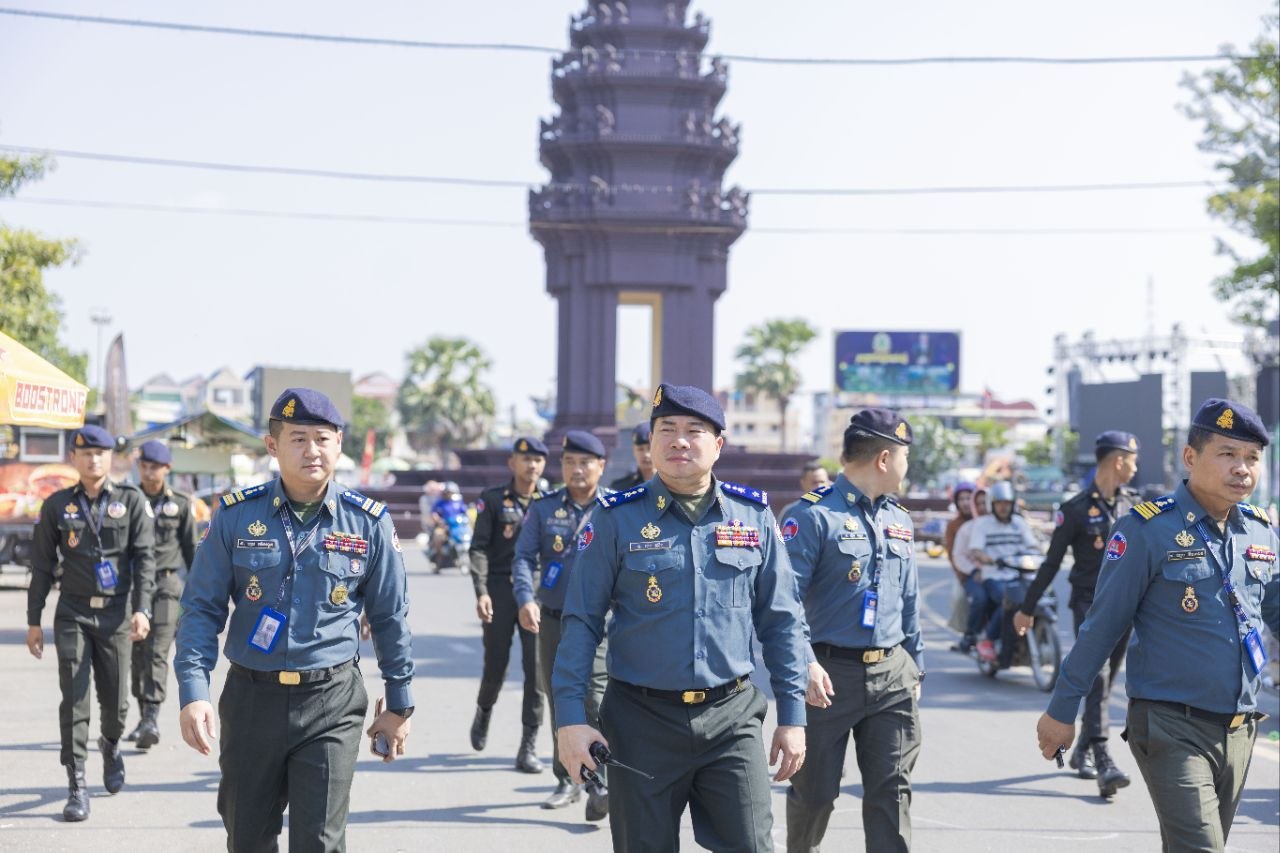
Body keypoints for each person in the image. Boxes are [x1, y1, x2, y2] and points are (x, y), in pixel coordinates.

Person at [554, 383, 809, 852]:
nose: (679, 441)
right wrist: (570, 720)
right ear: (650, 443)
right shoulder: (615, 519)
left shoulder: (752, 517)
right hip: (640, 722)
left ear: (719, 445)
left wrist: (793, 717)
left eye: (695, 430)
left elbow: (782, 622)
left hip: (731, 718)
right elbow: (581, 623)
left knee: (754, 845)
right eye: (666, 429)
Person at [173, 388, 414, 850]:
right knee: (247, 838)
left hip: (331, 702)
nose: (312, 451)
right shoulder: (234, 515)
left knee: (319, 841)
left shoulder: (368, 523)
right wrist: (193, 692)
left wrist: (400, 701)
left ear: (339, 444)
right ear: (272, 446)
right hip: (250, 700)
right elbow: (201, 609)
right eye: (298, 439)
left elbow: (390, 616)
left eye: (322, 439)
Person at [1037, 398, 1279, 850]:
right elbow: (1102, 625)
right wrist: (1062, 709)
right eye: (1227, 454)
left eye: (1251, 458)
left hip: (1241, 727)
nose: (1242, 468)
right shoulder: (1147, 529)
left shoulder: (1261, 531)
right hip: (1171, 724)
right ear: (1191, 457)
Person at [783, 409, 925, 853]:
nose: (907, 466)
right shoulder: (809, 517)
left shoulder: (900, 519)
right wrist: (804, 664)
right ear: (884, 458)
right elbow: (783, 606)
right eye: (905, 456)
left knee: (891, 791)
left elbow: (909, 602)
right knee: (816, 796)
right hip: (827, 677)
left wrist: (915, 667)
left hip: (893, 675)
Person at [26, 424, 155, 822]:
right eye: (85, 453)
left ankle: (111, 745)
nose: (93, 459)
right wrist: (34, 620)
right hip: (74, 612)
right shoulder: (57, 505)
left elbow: (145, 558)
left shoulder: (131, 502)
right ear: (74, 459)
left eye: (100, 453)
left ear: (111, 458)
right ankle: (76, 783)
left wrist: (142, 608)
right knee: (75, 695)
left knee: (116, 701)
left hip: (116, 614)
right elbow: (42, 566)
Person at [1014, 431, 1140, 794]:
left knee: (1106, 682)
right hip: (1089, 605)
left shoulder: (1135, 506)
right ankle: (1103, 756)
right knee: (1097, 679)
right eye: (1132, 459)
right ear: (1118, 461)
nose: (1135, 466)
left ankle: (1082, 747)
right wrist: (1027, 608)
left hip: (1126, 608)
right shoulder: (1073, 510)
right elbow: (1051, 564)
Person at [512, 430, 611, 818]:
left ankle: (600, 778)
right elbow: (522, 557)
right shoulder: (543, 507)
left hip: (600, 621)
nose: (576, 469)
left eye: (585, 462)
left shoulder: (614, 509)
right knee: (558, 696)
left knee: (596, 695)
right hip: (553, 619)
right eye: (569, 462)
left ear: (601, 466)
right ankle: (567, 778)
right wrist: (525, 599)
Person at [469, 436, 550, 773]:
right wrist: (482, 591)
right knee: (496, 665)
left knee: (536, 673)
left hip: (536, 595)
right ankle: (484, 710)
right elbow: (479, 548)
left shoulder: (550, 503)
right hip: (501, 592)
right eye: (525, 459)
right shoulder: (493, 501)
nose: (532, 465)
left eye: (538, 459)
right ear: (512, 464)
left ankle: (527, 746)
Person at [123, 439, 198, 750]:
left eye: (154, 466)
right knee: (137, 653)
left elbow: (192, 551)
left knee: (157, 651)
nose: (148, 471)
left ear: (167, 468)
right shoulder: (126, 500)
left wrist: (199, 595)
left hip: (167, 586)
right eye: (143, 465)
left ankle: (152, 716)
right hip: (132, 587)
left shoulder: (179, 504)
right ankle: (143, 717)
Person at [966, 480, 1043, 667]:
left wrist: (1039, 552)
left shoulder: (1019, 523)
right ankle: (988, 639)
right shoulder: (983, 524)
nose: (1003, 507)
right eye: (1000, 503)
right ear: (993, 504)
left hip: (1020, 574)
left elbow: (1032, 544)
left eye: (1007, 503)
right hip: (995, 575)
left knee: (1038, 598)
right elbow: (975, 550)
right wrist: (988, 559)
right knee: (1009, 600)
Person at [949, 486, 989, 652]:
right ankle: (970, 635)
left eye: (986, 503)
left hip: (1002, 574)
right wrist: (972, 572)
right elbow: (956, 556)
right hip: (970, 574)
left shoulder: (1009, 523)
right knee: (978, 598)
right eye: (978, 503)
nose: (982, 507)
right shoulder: (964, 528)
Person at [943, 481, 977, 639]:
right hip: (965, 571)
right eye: (961, 499)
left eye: (968, 498)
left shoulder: (984, 520)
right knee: (959, 598)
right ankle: (967, 634)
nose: (965, 502)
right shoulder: (953, 525)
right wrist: (962, 575)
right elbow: (952, 554)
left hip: (988, 570)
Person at [608, 422, 654, 491]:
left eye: (649, 448)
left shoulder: (671, 484)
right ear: (634, 451)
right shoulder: (620, 488)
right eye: (640, 449)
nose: (646, 454)